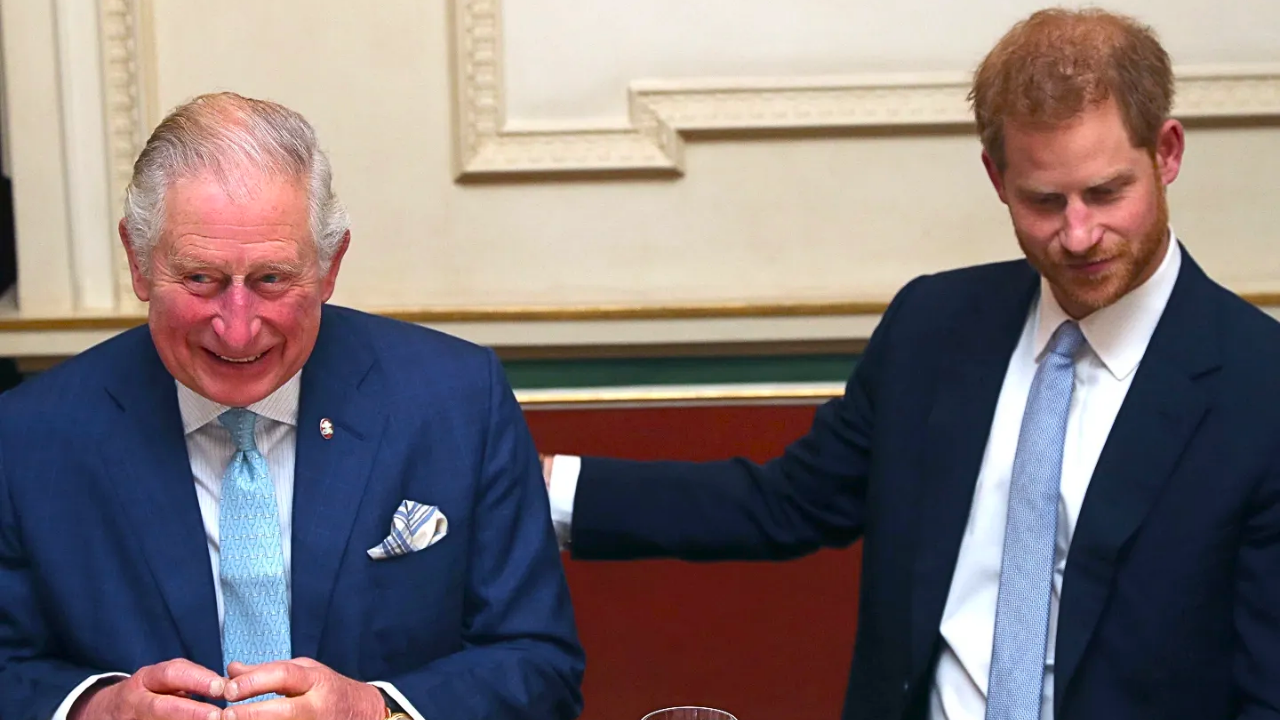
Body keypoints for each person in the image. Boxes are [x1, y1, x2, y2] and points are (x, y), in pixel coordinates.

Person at [541, 8, 1280, 720]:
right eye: (1044, 201)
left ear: (1167, 153)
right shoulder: (935, 328)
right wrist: (538, 489)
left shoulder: (1260, 388)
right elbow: (783, 503)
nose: (1079, 234)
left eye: (1106, 193)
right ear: (997, 179)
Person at [0, 92, 584, 720]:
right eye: (200, 279)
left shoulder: (456, 401)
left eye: (272, 279)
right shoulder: (29, 436)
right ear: (139, 262)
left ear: (330, 266)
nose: (238, 329)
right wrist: (92, 710)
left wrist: (377, 712)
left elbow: (538, 665)